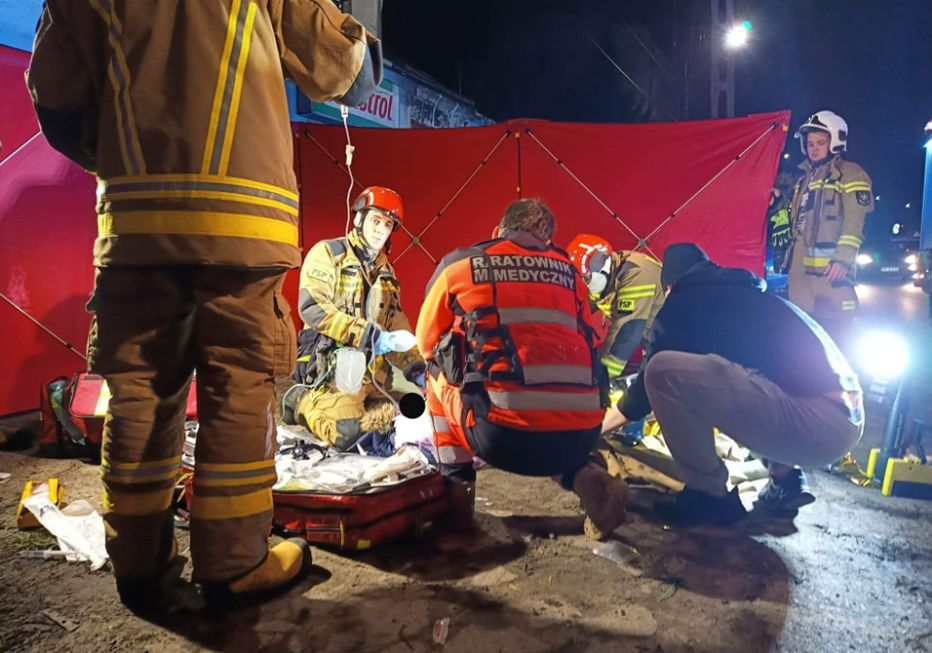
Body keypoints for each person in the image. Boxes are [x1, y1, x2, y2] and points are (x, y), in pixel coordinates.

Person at [26, 0, 382, 611]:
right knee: (239, 387)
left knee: (138, 391)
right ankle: (236, 562)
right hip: (242, 223)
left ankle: (138, 565)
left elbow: (56, 101)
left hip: (136, 224)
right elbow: (349, 71)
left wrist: (122, 158)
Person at [416, 199, 629, 540]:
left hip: (502, 439)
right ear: (547, 239)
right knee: (550, 402)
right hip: (581, 435)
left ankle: (454, 501)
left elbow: (426, 341)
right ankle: (589, 480)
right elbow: (594, 333)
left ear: (499, 231)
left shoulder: (461, 264)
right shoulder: (570, 272)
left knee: (432, 371)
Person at [611, 243, 864, 526]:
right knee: (734, 381)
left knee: (661, 372)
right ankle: (786, 479)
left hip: (813, 423)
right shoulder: (748, 297)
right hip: (846, 421)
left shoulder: (684, 302)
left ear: (670, 284)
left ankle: (708, 496)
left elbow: (641, 396)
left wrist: (592, 429)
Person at [284, 186, 425, 449]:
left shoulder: (386, 271)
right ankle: (300, 401)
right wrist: (368, 335)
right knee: (349, 435)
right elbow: (312, 306)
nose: (381, 229)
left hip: (375, 377)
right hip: (335, 375)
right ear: (359, 218)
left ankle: (366, 406)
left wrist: (415, 366)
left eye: (388, 224)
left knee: (414, 413)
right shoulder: (328, 253)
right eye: (375, 220)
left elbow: (396, 322)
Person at [784, 110, 873, 349]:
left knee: (841, 339)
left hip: (833, 275)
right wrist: (776, 202)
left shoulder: (850, 173)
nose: (814, 149)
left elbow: (855, 219)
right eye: (810, 144)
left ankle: (848, 383)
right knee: (803, 339)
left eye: (821, 143)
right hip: (800, 275)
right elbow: (796, 220)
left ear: (836, 141)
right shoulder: (803, 180)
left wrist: (843, 260)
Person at [566, 234, 665, 381]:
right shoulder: (608, 273)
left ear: (601, 267)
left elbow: (628, 328)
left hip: (682, 346)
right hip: (657, 343)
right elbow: (582, 307)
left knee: (641, 397)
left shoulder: (637, 274)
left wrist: (603, 377)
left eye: (586, 280)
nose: (585, 286)